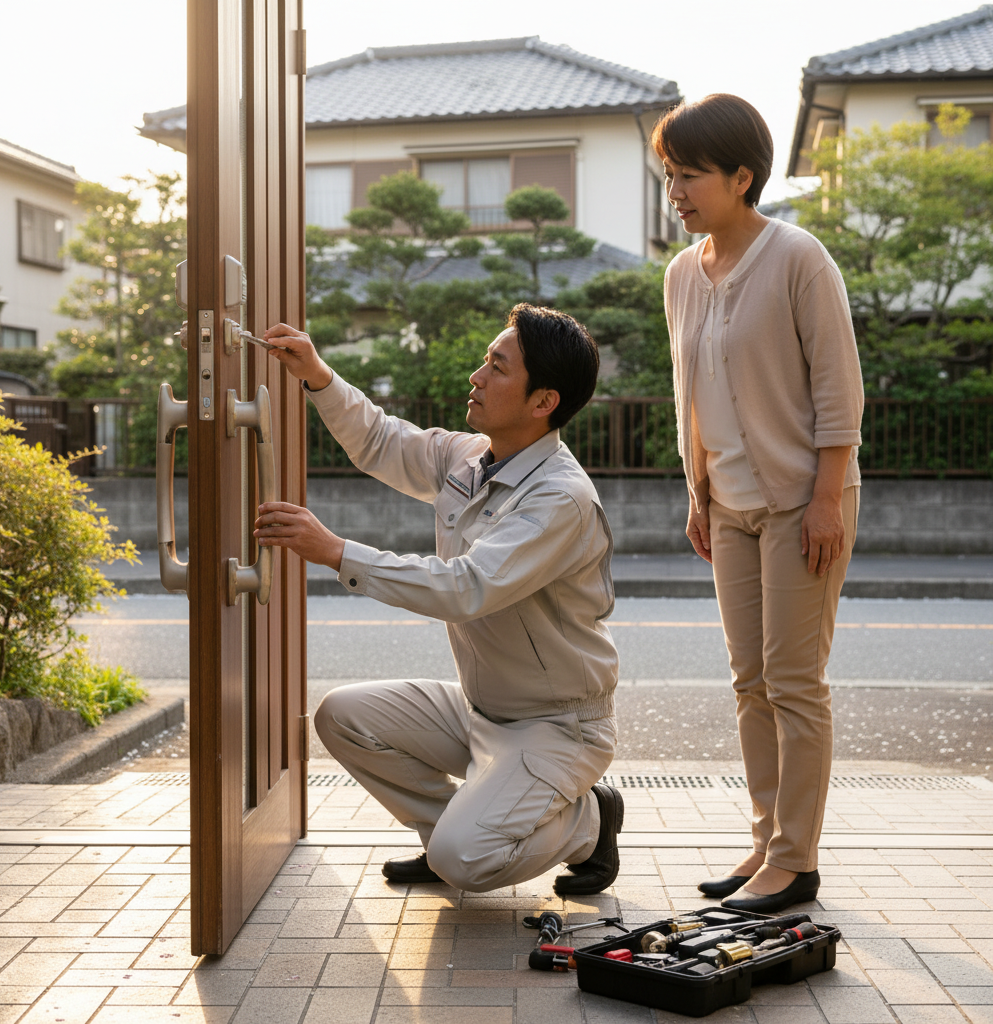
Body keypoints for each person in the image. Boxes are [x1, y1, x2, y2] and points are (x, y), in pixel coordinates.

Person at [252, 304, 623, 895]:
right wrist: (317, 374)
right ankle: (446, 834)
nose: (477, 376)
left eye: (497, 367)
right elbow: (379, 439)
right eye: (485, 361)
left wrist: (337, 552)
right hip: (480, 710)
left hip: (555, 726)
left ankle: (590, 823)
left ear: (543, 402)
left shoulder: (560, 499)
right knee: (341, 716)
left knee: (467, 861)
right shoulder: (471, 456)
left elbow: (466, 587)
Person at [652, 94, 864, 913]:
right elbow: (692, 395)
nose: (676, 190)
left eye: (691, 175)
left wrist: (823, 502)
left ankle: (795, 859)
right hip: (730, 506)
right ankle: (766, 839)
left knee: (793, 680)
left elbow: (837, 393)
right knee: (749, 682)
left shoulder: (798, 257)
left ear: (742, 176)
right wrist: (697, 492)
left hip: (801, 500)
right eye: (669, 175)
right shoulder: (681, 273)